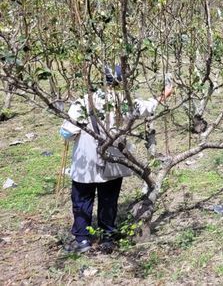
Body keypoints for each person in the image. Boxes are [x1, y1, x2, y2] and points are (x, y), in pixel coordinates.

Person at [59, 65, 173, 253]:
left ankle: (82, 240)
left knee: (81, 200)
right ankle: (107, 237)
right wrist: (164, 94)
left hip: (85, 163)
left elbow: (68, 132)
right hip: (113, 161)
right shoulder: (125, 102)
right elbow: (148, 107)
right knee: (109, 199)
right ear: (122, 81)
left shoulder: (84, 102)